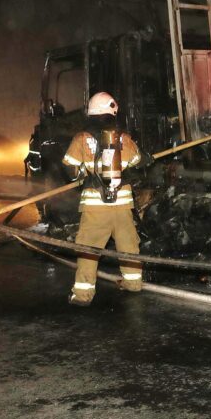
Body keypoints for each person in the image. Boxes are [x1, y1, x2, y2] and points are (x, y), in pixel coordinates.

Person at [62, 91, 150, 305]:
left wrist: (85, 171)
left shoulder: (82, 138)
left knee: (89, 249)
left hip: (95, 207)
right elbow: (137, 160)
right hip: (122, 205)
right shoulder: (122, 137)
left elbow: (70, 168)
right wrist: (146, 158)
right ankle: (133, 283)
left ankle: (82, 295)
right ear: (112, 111)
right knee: (128, 244)